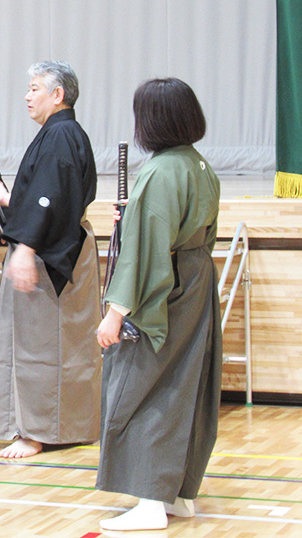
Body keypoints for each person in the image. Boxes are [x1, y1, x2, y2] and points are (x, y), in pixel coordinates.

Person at [94, 78, 221, 531]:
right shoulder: (198, 165)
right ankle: (177, 492)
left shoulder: (161, 171)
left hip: (165, 292)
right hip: (195, 284)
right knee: (182, 384)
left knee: (141, 386)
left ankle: (150, 501)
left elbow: (146, 250)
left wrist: (115, 313)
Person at [0, 60, 101, 459]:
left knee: (43, 343)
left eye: (35, 88)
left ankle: (37, 431)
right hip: (54, 246)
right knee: (45, 342)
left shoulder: (62, 135)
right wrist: (7, 199)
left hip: (50, 254)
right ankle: (48, 425)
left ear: (58, 95)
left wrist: (27, 251)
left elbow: (51, 200)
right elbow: (46, 196)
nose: (28, 96)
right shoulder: (62, 135)